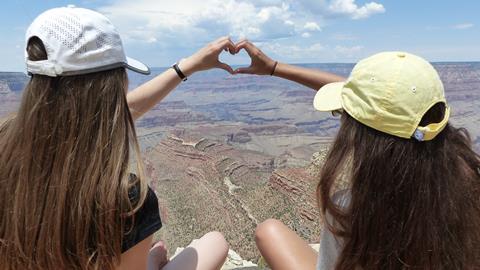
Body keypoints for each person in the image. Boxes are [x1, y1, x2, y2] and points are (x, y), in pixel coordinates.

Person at [0, 6, 233, 270]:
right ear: (114, 86)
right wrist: (151, 263)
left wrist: (186, 67)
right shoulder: (124, 199)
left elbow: (111, 116)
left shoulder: (6, 142)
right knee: (214, 243)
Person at [233, 41, 480, 269]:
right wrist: (275, 68)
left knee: (268, 231)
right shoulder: (470, 180)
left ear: (359, 134)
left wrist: (277, 68)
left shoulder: (353, 209)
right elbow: (387, 113)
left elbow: (378, 111)